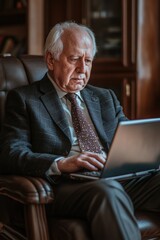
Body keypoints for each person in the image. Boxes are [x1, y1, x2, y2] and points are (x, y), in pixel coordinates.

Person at [1, 21, 160, 240]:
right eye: (74, 59)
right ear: (50, 60)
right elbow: (11, 154)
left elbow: (128, 141)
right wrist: (61, 163)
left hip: (115, 177)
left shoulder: (105, 97)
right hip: (66, 186)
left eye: (88, 61)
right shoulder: (24, 99)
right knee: (108, 191)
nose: (82, 69)